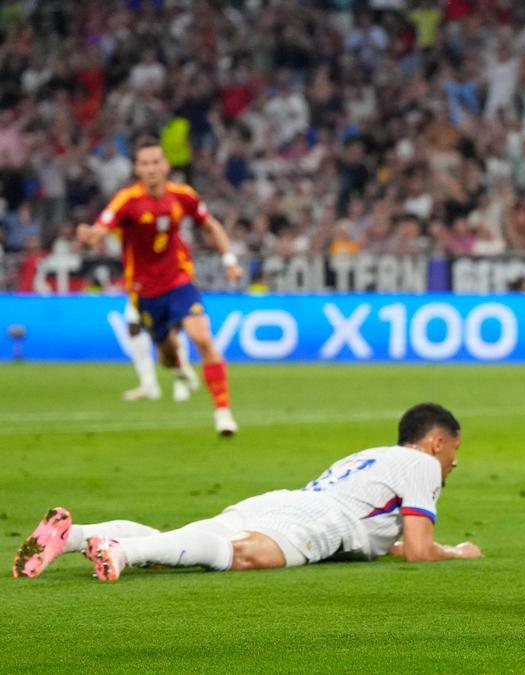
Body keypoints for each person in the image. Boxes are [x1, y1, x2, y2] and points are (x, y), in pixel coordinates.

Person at [13, 403, 481, 580]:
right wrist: (457, 553)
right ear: (437, 441)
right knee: (244, 555)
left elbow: (385, 539)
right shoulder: (421, 463)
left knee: (189, 540)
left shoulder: (373, 456)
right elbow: (420, 551)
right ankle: (120, 552)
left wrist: (397, 548)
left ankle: (74, 536)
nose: (453, 462)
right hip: (323, 521)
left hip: (284, 502)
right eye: (452, 450)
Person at [77, 136, 241, 435]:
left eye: (155, 162)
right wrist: (91, 235)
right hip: (144, 291)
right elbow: (102, 228)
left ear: (165, 165)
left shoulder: (183, 196)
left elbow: (210, 224)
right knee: (166, 355)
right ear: (137, 168)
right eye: (144, 163)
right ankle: (179, 369)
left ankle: (223, 412)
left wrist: (229, 258)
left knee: (202, 338)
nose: (151, 168)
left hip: (179, 279)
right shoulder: (127, 201)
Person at [120, 299, 200, 402]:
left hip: (168, 288)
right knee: (134, 327)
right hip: (140, 289)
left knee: (173, 328)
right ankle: (148, 385)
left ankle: (181, 381)